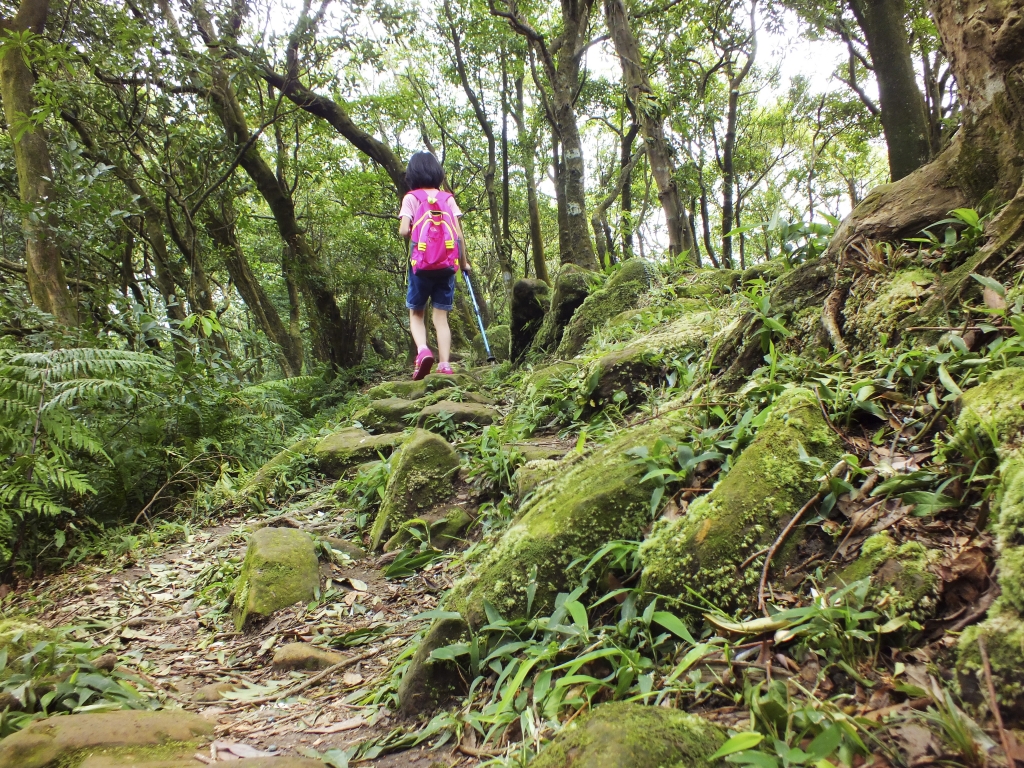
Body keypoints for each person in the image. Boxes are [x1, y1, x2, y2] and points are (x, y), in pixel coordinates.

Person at [398, 151, 472, 379]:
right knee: (441, 317)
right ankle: (445, 364)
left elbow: (403, 230)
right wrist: (464, 263)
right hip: (447, 265)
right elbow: (458, 236)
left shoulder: (411, 198)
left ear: (412, 173)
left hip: (421, 265)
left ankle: (423, 351)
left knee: (416, 313)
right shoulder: (447, 198)